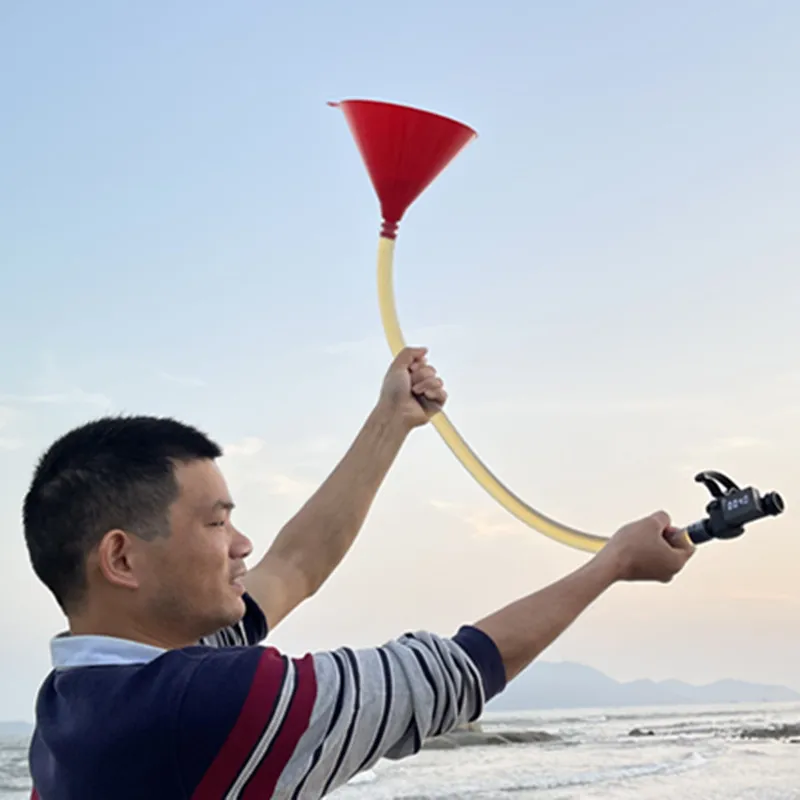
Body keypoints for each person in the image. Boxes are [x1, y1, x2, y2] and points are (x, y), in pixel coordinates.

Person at [23, 346, 694, 799]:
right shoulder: (199, 707)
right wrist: (612, 565)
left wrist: (391, 421)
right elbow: (447, 675)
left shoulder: (76, 702)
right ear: (121, 558)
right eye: (216, 522)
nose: (242, 544)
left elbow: (295, 565)